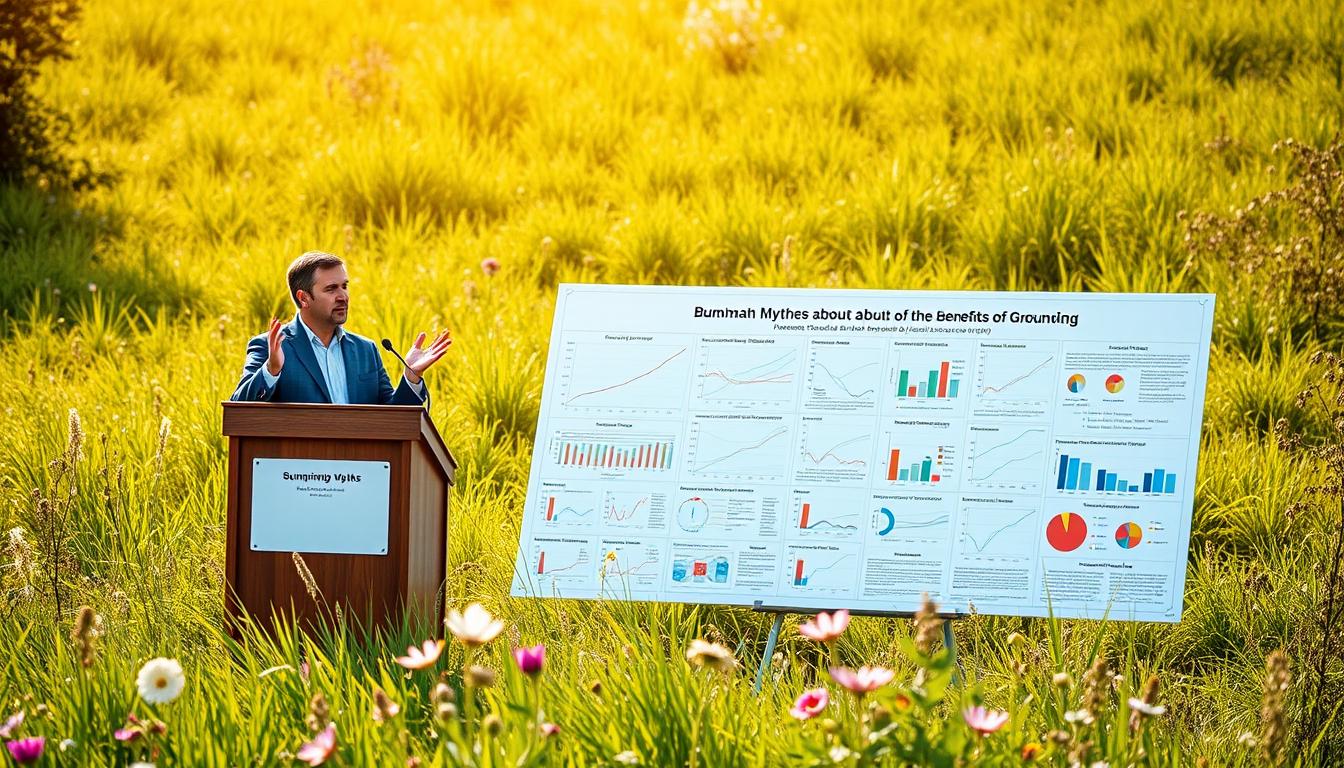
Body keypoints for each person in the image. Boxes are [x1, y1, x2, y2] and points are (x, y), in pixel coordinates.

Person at [229, 252, 451, 405]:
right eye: (331, 289)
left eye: (344, 286)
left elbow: (392, 418)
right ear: (304, 298)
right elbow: (240, 408)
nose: (342, 296)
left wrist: (411, 376)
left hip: (359, 462)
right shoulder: (270, 347)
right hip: (299, 462)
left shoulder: (366, 350)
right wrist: (271, 370)